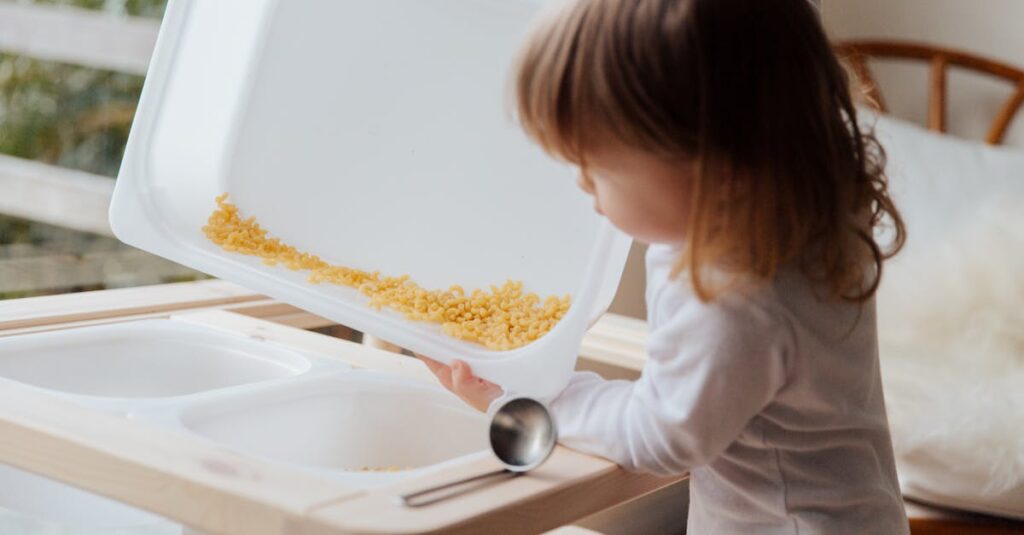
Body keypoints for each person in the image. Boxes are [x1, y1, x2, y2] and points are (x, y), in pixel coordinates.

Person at [419, 0, 910, 532]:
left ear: (708, 157)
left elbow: (659, 435)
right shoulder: (805, 216)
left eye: (596, 165)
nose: (582, 183)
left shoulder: (734, 291)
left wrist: (522, 400)